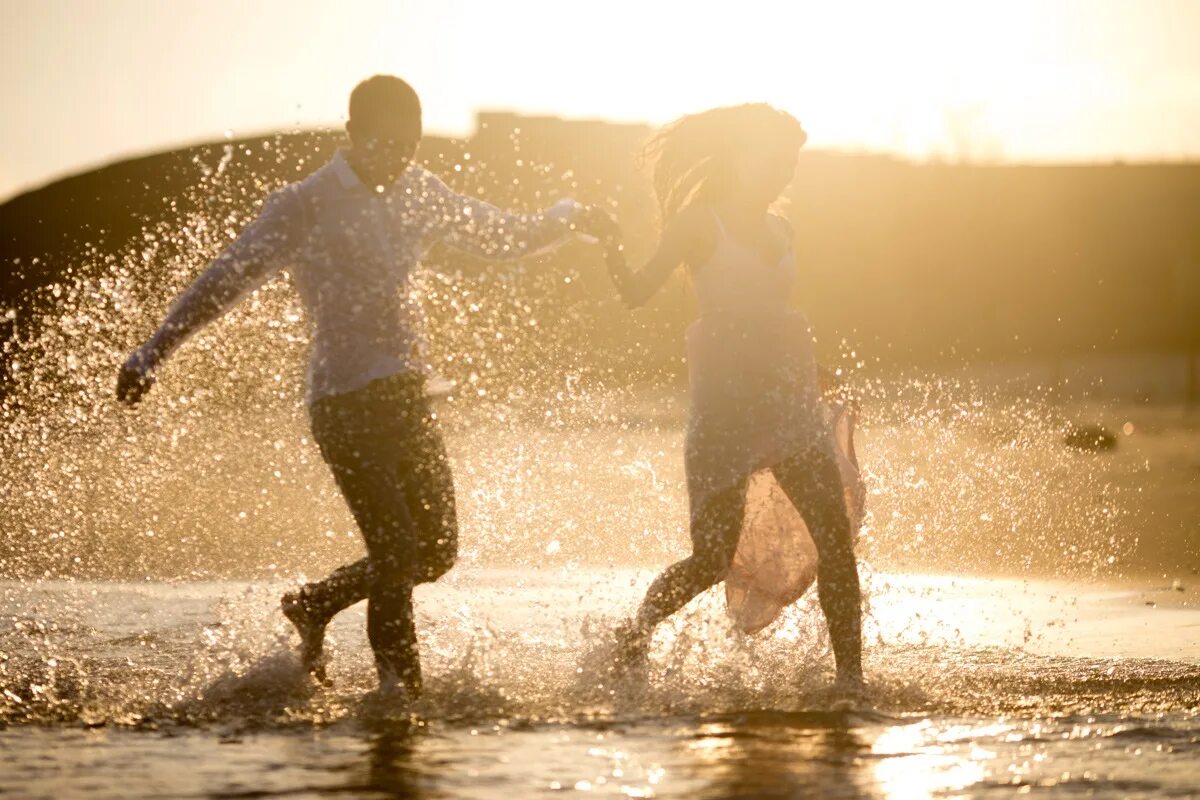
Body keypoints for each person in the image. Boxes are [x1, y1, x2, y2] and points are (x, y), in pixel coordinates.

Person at [116, 75, 588, 698]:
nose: (398, 155)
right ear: (353, 134)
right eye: (386, 142)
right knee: (394, 553)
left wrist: (565, 217)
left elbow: (499, 237)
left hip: (407, 399)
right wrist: (154, 349)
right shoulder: (305, 204)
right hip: (343, 402)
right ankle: (400, 703)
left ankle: (315, 604)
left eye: (410, 144)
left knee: (437, 551)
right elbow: (226, 279)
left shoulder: (419, 189)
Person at [578, 104, 864, 691]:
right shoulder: (699, 224)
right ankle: (635, 635)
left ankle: (850, 682)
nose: (784, 173)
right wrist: (608, 241)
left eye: (792, 162)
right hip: (725, 412)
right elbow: (636, 292)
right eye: (775, 159)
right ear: (741, 155)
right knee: (709, 560)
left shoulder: (784, 231)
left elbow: (769, 311)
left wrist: (813, 366)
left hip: (788, 406)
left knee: (836, 542)